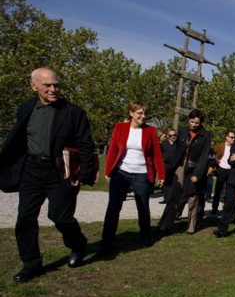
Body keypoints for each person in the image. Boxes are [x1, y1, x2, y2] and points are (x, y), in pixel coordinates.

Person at [0, 68, 97, 283]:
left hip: (60, 172)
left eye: (56, 84)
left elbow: (85, 144)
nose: (53, 89)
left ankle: (78, 245)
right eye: (47, 85)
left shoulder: (73, 112)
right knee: (25, 218)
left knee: (60, 217)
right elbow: (18, 141)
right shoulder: (26, 108)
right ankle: (31, 264)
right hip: (31, 171)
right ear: (34, 86)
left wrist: (85, 173)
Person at [100, 101, 165, 250]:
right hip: (121, 172)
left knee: (143, 207)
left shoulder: (151, 130)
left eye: (145, 114)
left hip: (142, 173)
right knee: (113, 207)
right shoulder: (120, 127)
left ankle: (146, 236)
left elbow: (157, 154)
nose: (143, 116)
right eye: (139, 113)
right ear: (131, 113)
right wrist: (108, 170)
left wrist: (161, 174)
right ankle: (106, 240)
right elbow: (113, 150)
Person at [158, 109, 210, 233]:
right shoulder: (183, 131)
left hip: (195, 167)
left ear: (200, 123)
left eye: (196, 123)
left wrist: (198, 173)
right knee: (174, 196)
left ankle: (191, 226)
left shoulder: (206, 135)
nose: (193, 125)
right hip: (181, 165)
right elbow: (178, 150)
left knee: (192, 197)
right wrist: (171, 168)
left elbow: (204, 155)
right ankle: (165, 224)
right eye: (191, 121)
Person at [210, 130, 235, 216]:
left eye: (234, 137)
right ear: (227, 137)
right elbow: (213, 153)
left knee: (229, 191)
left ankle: (227, 209)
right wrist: (217, 161)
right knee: (218, 190)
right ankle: (214, 208)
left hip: (231, 170)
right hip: (222, 170)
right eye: (232, 137)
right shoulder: (220, 146)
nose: (233, 139)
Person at [160, 129, 178, 204]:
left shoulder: (178, 144)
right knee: (166, 183)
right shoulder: (164, 144)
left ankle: (173, 198)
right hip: (166, 165)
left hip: (176, 166)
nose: (173, 137)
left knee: (175, 183)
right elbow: (160, 154)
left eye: (174, 135)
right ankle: (166, 198)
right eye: (171, 135)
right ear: (168, 136)